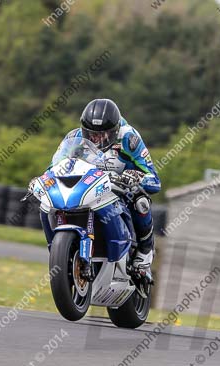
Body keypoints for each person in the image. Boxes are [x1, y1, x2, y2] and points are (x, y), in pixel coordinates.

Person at [42, 98, 161, 281]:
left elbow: (154, 179)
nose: (97, 138)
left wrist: (135, 177)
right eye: (91, 133)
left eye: (104, 134)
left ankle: (144, 252)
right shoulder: (73, 138)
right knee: (45, 203)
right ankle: (61, 252)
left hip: (120, 189)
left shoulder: (129, 138)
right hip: (86, 188)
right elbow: (53, 168)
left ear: (115, 130)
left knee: (141, 201)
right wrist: (43, 181)